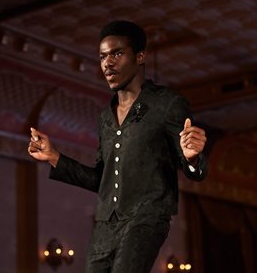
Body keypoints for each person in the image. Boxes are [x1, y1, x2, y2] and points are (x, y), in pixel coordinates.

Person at [28, 20, 208, 273]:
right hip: (105, 224)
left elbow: (195, 171)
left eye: (117, 54)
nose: (107, 63)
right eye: (102, 56)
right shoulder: (105, 117)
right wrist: (54, 156)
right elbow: (100, 180)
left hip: (146, 217)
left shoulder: (167, 103)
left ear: (140, 56)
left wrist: (191, 159)